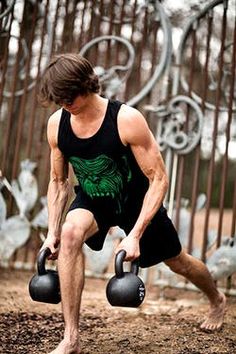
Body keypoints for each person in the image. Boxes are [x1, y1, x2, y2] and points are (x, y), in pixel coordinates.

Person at [39, 53, 226, 354]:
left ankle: (216, 298)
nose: (65, 104)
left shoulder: (126, 119)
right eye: (58, 99)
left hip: (136, 200)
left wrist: (135, 234)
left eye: (68, 96)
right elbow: (58, 182)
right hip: (93, 196)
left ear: (86, 86)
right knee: (70, 234)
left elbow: (159, 179)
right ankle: (71, 338)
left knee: (178, 261)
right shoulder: (57, 124)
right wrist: (52, 232)